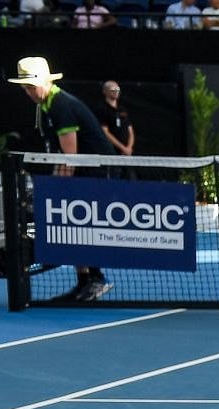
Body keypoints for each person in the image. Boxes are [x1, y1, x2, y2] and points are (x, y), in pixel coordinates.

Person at [12, 56, 116, 301]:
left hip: (96, 172)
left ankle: (97, 278)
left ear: (45, 82)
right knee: (71, 226)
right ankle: (84, 281)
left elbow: (70, 157)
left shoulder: (60, 105)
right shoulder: (46, 106)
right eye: (25, 88)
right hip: (80, 170)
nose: (28, 92)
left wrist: (55, 190)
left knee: (83, 226)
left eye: (31, 86)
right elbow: (60, 155)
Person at [96, 80, 135, 178]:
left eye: (117, 89)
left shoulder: (122, 110)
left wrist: (128, 148)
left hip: (126, 155)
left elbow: (130, 130)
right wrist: (122, 148)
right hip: (112, 154)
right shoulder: (102, 109)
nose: (116, 92)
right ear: (105, 91)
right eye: (112, 90)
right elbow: (105, 132)